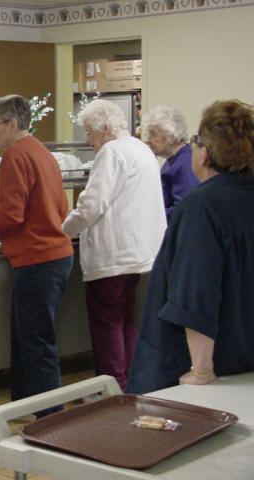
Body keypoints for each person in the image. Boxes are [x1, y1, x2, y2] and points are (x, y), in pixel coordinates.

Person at [127, 99, 254, 394]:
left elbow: (195, 295)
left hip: (199, 368)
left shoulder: (202, 206)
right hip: (244, 362)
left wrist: (201, 370)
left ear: (205, 153)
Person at [0, 94, 73, 416]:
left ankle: (49, 417)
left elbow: (11, 213)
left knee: (36, 343)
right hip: (56, 256)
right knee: (27, 338)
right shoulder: (42, 153)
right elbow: (60, 207)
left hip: (37, 259)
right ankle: (24, 406)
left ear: (11, 124)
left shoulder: (14, 156)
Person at [62, 99, 166, 391]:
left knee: (106, 324)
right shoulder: (140, 149)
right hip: (137, 253)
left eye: (89, 132)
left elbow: (91, 206)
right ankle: (131, 384)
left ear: (105, 128)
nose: (87, 139)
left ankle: (111, 390)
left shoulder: (112, 152)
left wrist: (63, 230)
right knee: (124, 321)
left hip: (112, 256)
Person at [143, 104, 200, 222]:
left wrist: (150, 218)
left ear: (172, 136)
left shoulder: (185, 162)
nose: (147, 140)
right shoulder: (173, 161)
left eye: (153, 134)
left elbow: (184, 209)